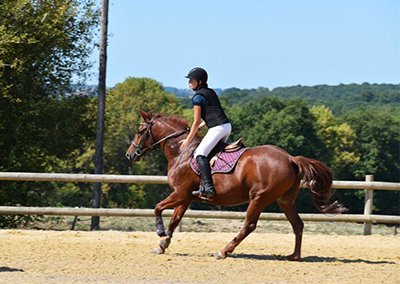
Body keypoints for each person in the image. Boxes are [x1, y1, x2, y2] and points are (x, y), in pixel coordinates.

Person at [180, 67, 232, 197]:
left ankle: (208, 188)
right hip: (226, 126)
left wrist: (188, 140)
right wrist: (203, 125)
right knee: (213, 155)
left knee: (200, 154)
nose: (189, 82)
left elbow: (196, 121)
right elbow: (213, 112)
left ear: (200, 82)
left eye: (192, 80)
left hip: (217, 128)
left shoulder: (198, 97)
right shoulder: (210, 92)